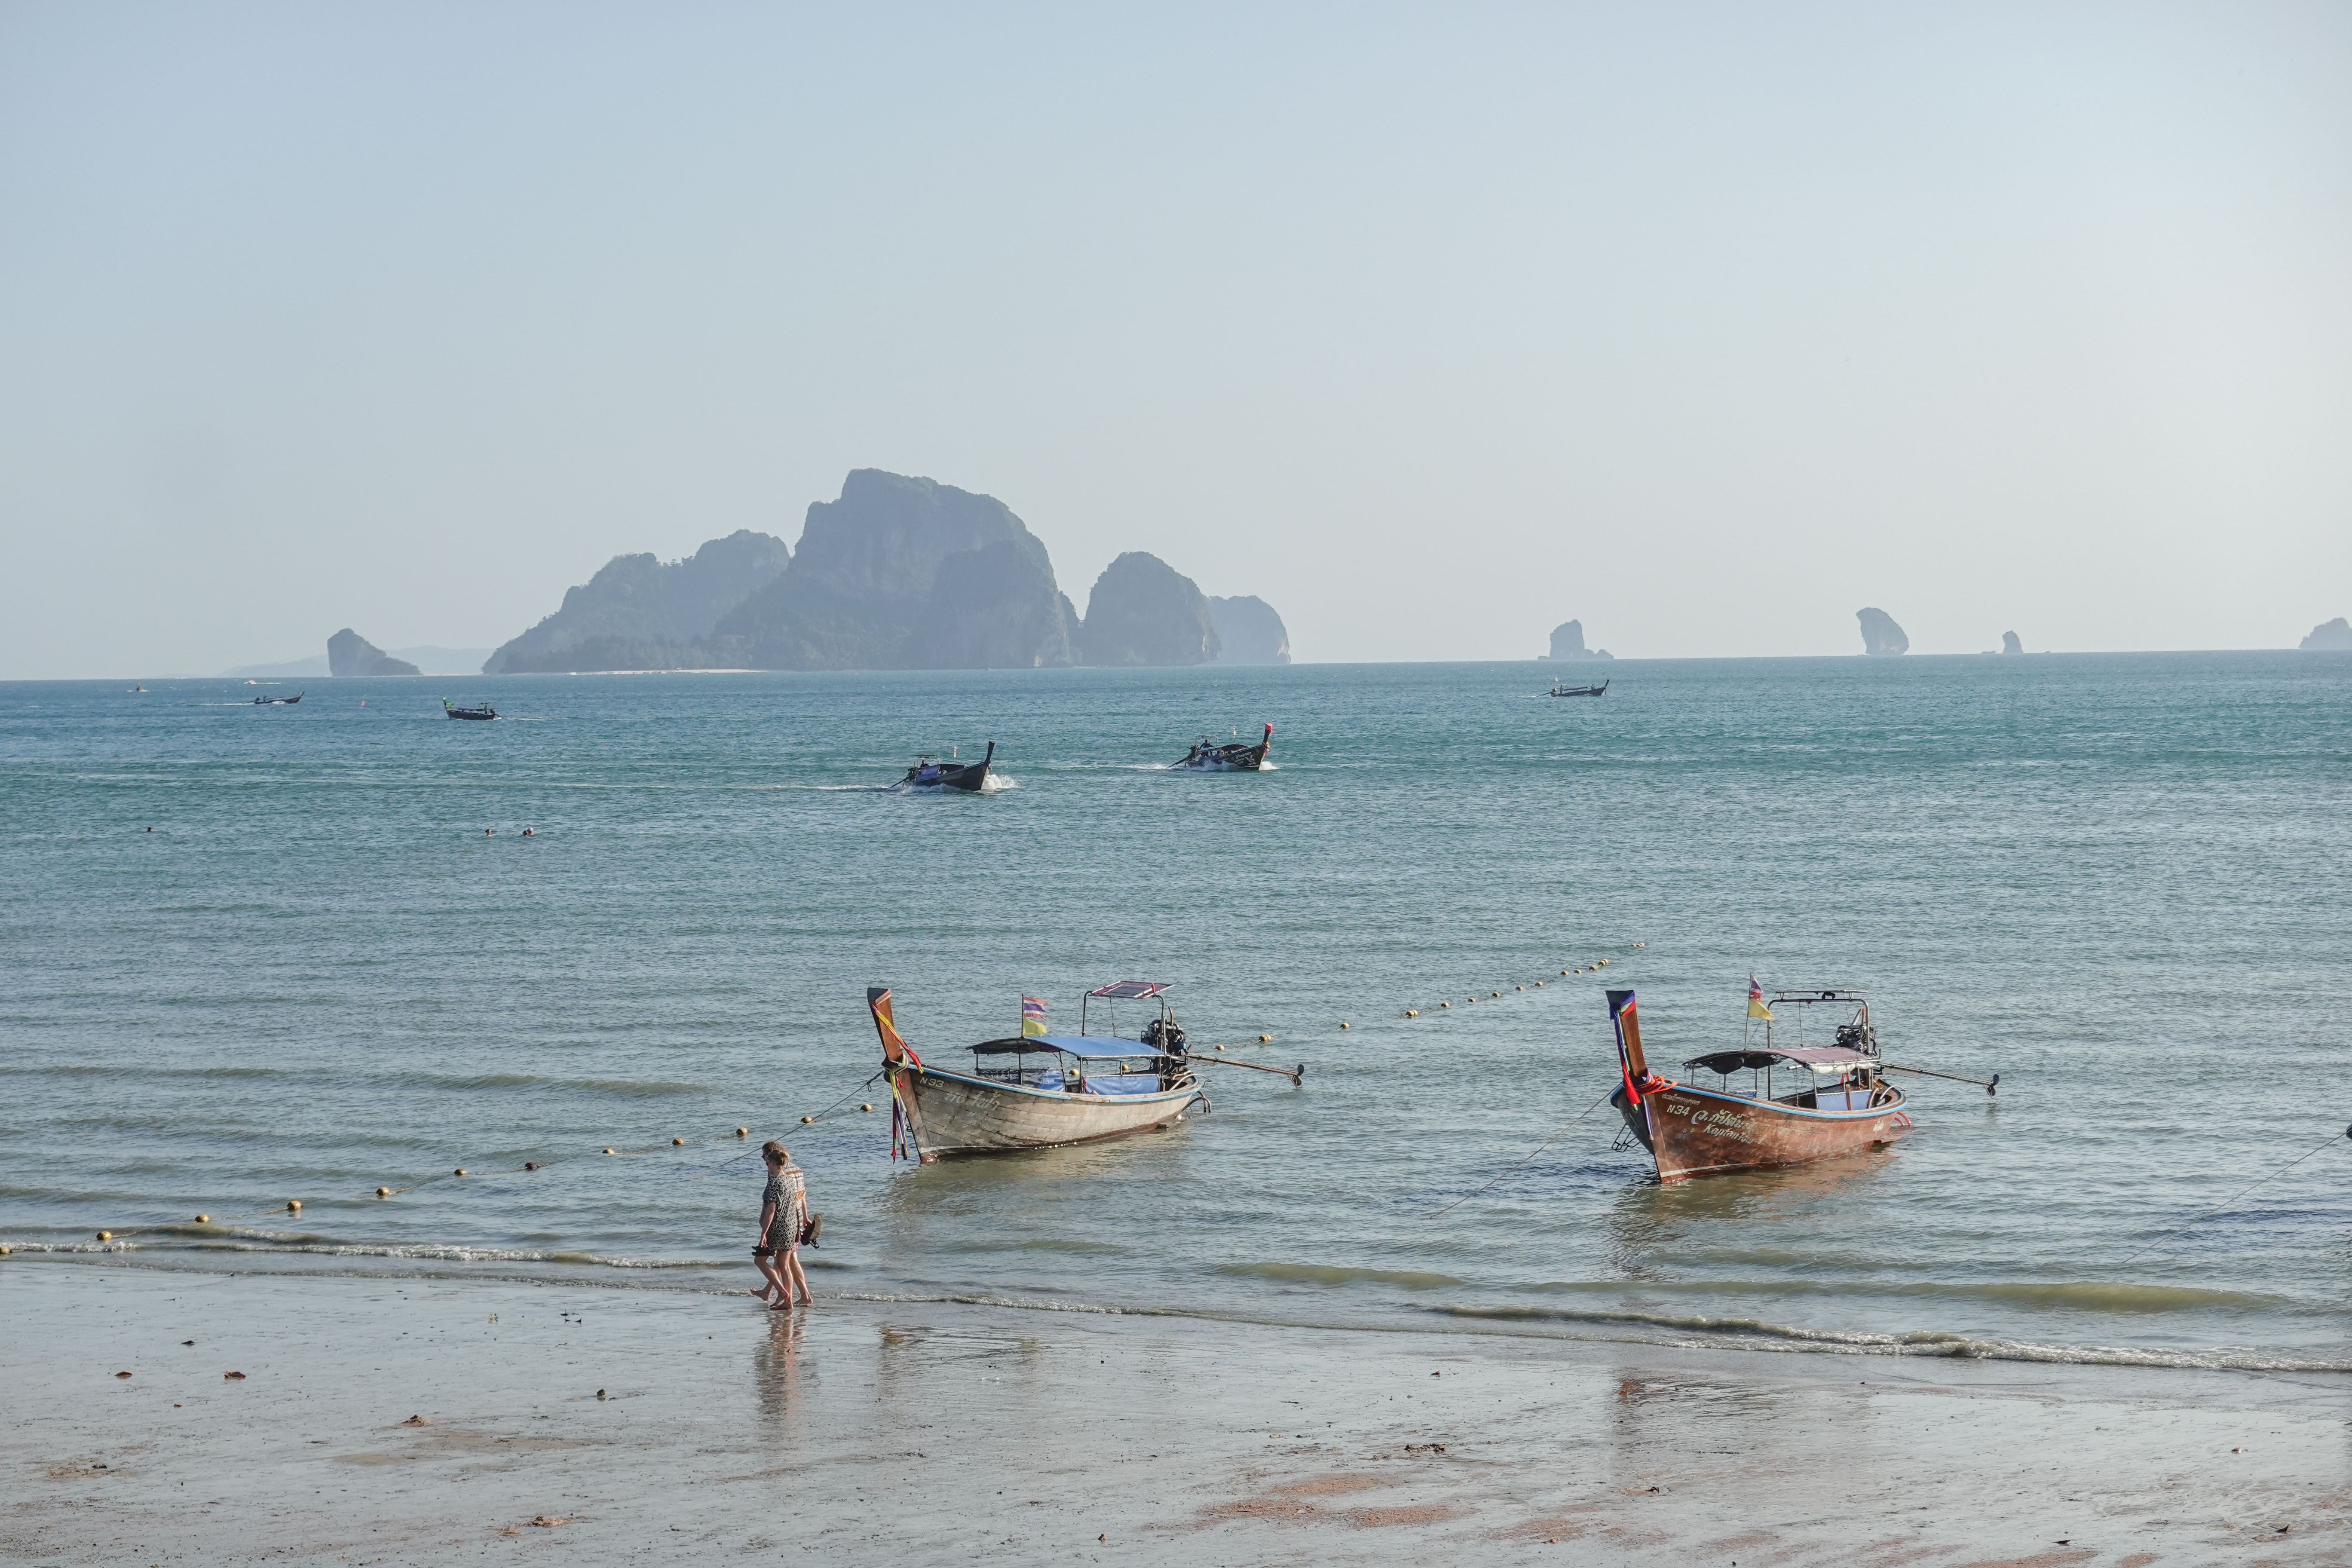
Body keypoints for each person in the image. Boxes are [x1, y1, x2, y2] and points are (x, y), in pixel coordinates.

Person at [752, 1141, 812, 1310]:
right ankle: (780, 1294)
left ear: (771, 1157)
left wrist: (764, 1225)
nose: (763, 1160)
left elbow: (772, 1205)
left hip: (783, 1222)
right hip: (795, 1219)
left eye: (764, 1156)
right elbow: (801, 1195)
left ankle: (794, 1295)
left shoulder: (776, 1175)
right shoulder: (795, 1170)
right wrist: (805, 1217)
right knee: (786, 1261)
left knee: (785, 1261)